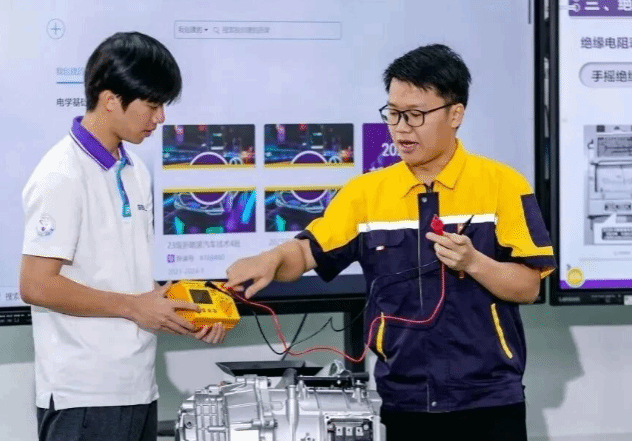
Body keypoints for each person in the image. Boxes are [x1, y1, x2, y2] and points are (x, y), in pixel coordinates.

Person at [224, 44, 556, 440]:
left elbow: (529, 286)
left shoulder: (503, 185)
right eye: (393, 114)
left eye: (415, 115)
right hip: (404, 401)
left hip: (490, 400)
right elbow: (307, 251)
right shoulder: (366, 194)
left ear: (455, 114)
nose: (400, 128)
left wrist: (474, 263)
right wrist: (271, 259)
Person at [19, 32, 227, 441]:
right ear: (111, 99)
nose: (160, 118)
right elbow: (36, 285)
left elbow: (128, 278)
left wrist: (189, 314)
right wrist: (135, 307)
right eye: (152, 105)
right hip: (81, 397)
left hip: (138, 388)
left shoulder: (135, 170)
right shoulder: (61, 174)